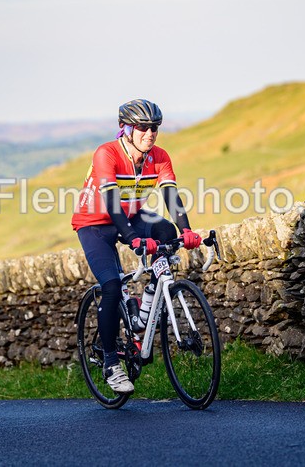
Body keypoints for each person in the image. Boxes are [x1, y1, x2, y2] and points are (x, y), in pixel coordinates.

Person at [71, 98, 202, 394]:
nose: (150, 133)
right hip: (95, 223)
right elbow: (111, 202)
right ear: (126, 129)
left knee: (167, 231)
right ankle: (109, 363)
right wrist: (132, 238)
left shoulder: (160, 156)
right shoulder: (107, 154)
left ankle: (148, 303)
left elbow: (170, 196)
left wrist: (187, 230)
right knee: (112, 286)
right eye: (142, 127)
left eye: (154, 127)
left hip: (130, 215)